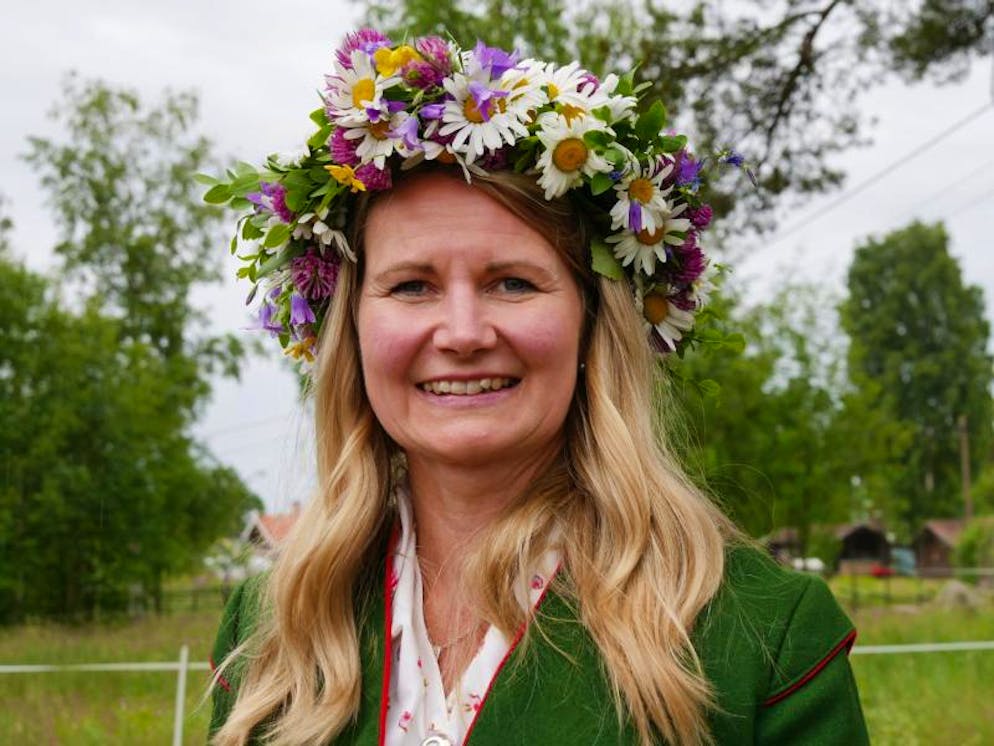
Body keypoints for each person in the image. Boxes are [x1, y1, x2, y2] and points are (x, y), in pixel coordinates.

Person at [208, 29, 868, 745]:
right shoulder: (273, 632)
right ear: (353, 330)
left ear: (592, 323)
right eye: (412, 285)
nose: (462, 332)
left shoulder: (762, 637)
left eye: (513, 282)